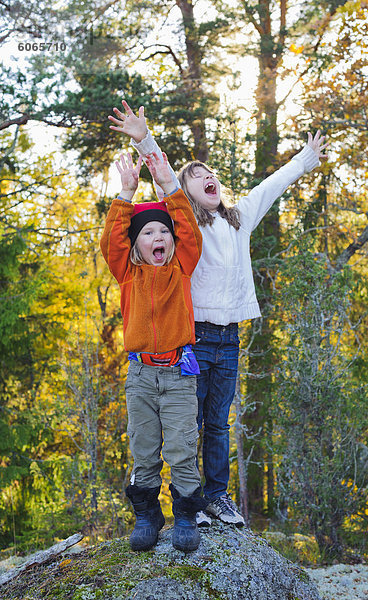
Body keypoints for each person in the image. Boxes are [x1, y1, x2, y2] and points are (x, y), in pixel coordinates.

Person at [108, 101, 328, 527]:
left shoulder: (238, 219)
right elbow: (166, 178)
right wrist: (144, 139)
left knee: (218, 423)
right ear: (185, 194)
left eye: (209, 173)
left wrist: (304, 159)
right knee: (184, 421)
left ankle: (215, 497)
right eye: (196, 176)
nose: (206, 177)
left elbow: (272, 185)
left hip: (229, 338)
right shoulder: (185, 226)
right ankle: (187, 501)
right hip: (193, 337)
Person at [100, 149, 207, 552]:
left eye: (163, 231)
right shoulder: (127, 273)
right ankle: (147, 514)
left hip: (179, 373)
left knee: (181, 448)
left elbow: (189, 232)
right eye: (147, 233)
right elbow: (112, 241)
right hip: (142, 376)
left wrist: (169, 185)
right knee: (143, 448)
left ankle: (184, 514)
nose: (158, 237)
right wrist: (126, 193)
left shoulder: (182, 268)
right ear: (136, 244)